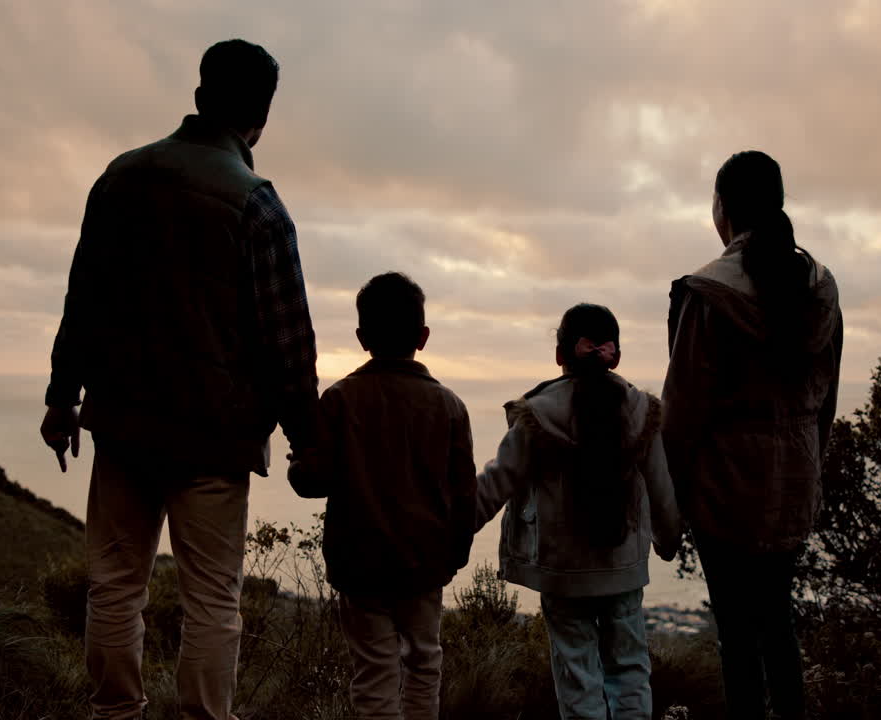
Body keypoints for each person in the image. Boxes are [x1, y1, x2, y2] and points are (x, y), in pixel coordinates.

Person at [38, 39, 319, 720]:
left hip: (126, 424)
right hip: (215, 443)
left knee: (113, 586)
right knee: (213, 602)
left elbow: (85, 297)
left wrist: (62, 396)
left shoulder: (121, 178)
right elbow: (288, 342)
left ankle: (114, 712)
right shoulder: (257, 204)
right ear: (262, 118)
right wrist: (308, 440)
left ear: (198, 99)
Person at [661, 150, 843, 720]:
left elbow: (683, 411)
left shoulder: (708, 292)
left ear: (723, 209)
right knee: (778, 624)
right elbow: (828, 399)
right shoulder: (820, 286)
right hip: (793, 480)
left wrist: (670, 507)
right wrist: (811, 470)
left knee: (738, 637)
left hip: (727, 490)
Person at [474, 303, 682, 720]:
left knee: (577, 674)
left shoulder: (538, 413)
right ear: (615, 356)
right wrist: (668, 538)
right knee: (629, 668)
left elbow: (496, 483)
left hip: (562, 572)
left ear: (560, 355)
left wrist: (452, 530)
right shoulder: (641, 410)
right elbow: (662, 486)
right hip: (623, 566)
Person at [288, 272, 476, 720]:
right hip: (424, 563)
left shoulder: (339, 400)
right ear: (423, 337)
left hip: (361, 566)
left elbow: (311, 482)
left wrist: (298, 461)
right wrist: (457, 554)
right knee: (424, 662)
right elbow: (464, 492)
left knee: (374, 671)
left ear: (361, 337)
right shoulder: (449, 406)